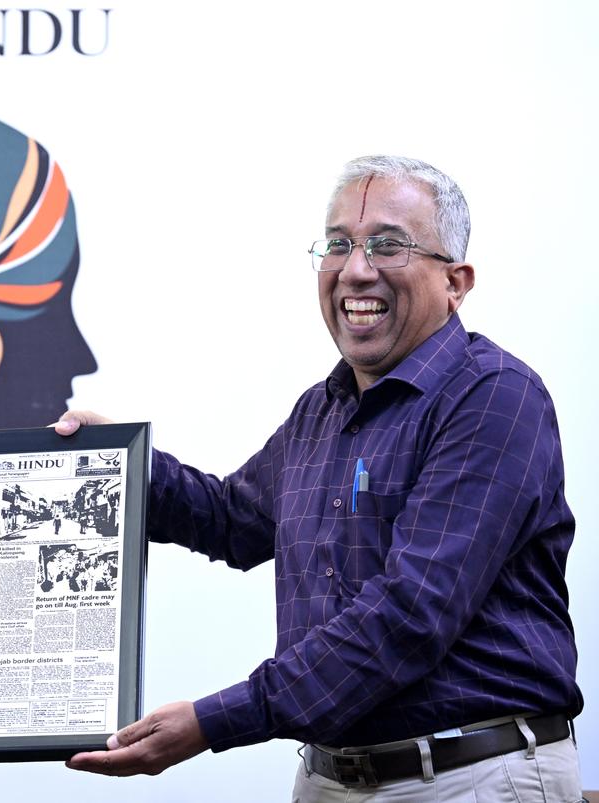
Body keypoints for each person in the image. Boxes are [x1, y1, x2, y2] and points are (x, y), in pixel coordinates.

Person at [57, 156, 583, 800]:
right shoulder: (323, 409)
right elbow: (231, 519)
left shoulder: (492, 398)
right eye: (338, 245)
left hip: (465, 779)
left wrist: (212, 721)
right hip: (329, 780)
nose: (355, 269)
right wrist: (102, 463)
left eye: (388, 245)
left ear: (457, 281)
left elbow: (410, 614)